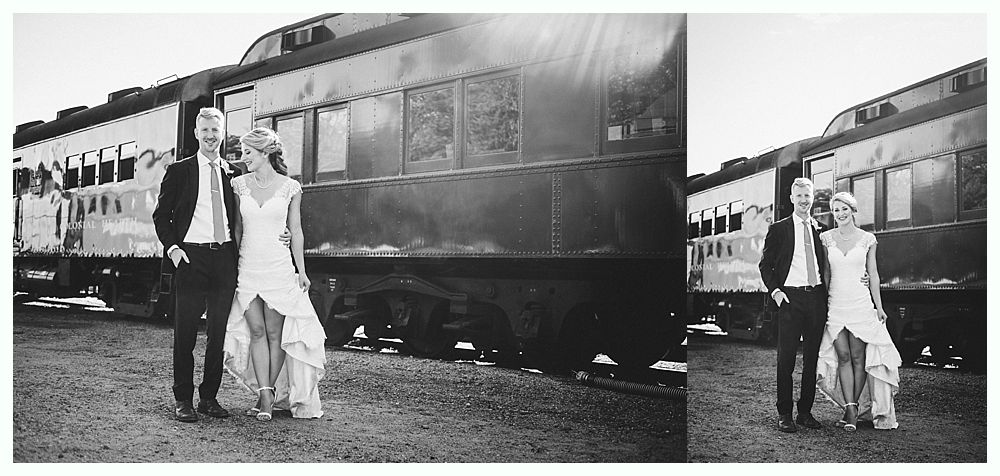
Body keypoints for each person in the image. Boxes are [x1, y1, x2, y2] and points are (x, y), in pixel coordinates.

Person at [153, 107, 289, 422]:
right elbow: (162, 216)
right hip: (190, 257)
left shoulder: (234, 173)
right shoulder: (179, 171)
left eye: (216, 130)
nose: (211, 136)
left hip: (224, 258)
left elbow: (257, 206)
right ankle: (183, 400)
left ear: (222, 133)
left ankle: (209, 398)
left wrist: (282, 231)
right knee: (185, 333)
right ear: (196, 134)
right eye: (205, 130)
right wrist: (174, 249)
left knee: (218, 333)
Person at [222, 127, 326, 421]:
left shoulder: (290, 187)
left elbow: (296, 231)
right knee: (255, 331)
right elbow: (238, 229)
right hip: (248, 266)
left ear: (265, 152)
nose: (244, 159)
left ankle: (268, 395)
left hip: (278, 267)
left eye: (248, 153)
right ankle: (266, 395)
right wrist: (232, 267)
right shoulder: (238, 185)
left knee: (274, 333)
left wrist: (301, 270)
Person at [816, 192, 901, 431]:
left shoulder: (867, 239)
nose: (840, 214)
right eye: (836, 210)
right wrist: (823, 304)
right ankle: (851, 408)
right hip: (836, 303)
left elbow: (873, 274)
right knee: (842, 356)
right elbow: (825, 274)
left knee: (858, 357)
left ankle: (852, 410)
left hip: (860, 303)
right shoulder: (825, 239)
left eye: (844, 209)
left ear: (853, 211)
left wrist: (879, 307)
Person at [758, 177, 827, 433]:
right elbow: (766, 265)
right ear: (791, 198)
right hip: (790, 299)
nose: (803, 200)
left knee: (812, 359)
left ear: (812, 197)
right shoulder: (779, 229)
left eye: (807, 195)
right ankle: (784, 414)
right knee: (786, 359)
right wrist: (776, 292)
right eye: (799, 196)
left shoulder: (821, 229)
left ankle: (805, 413)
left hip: (816, 299)